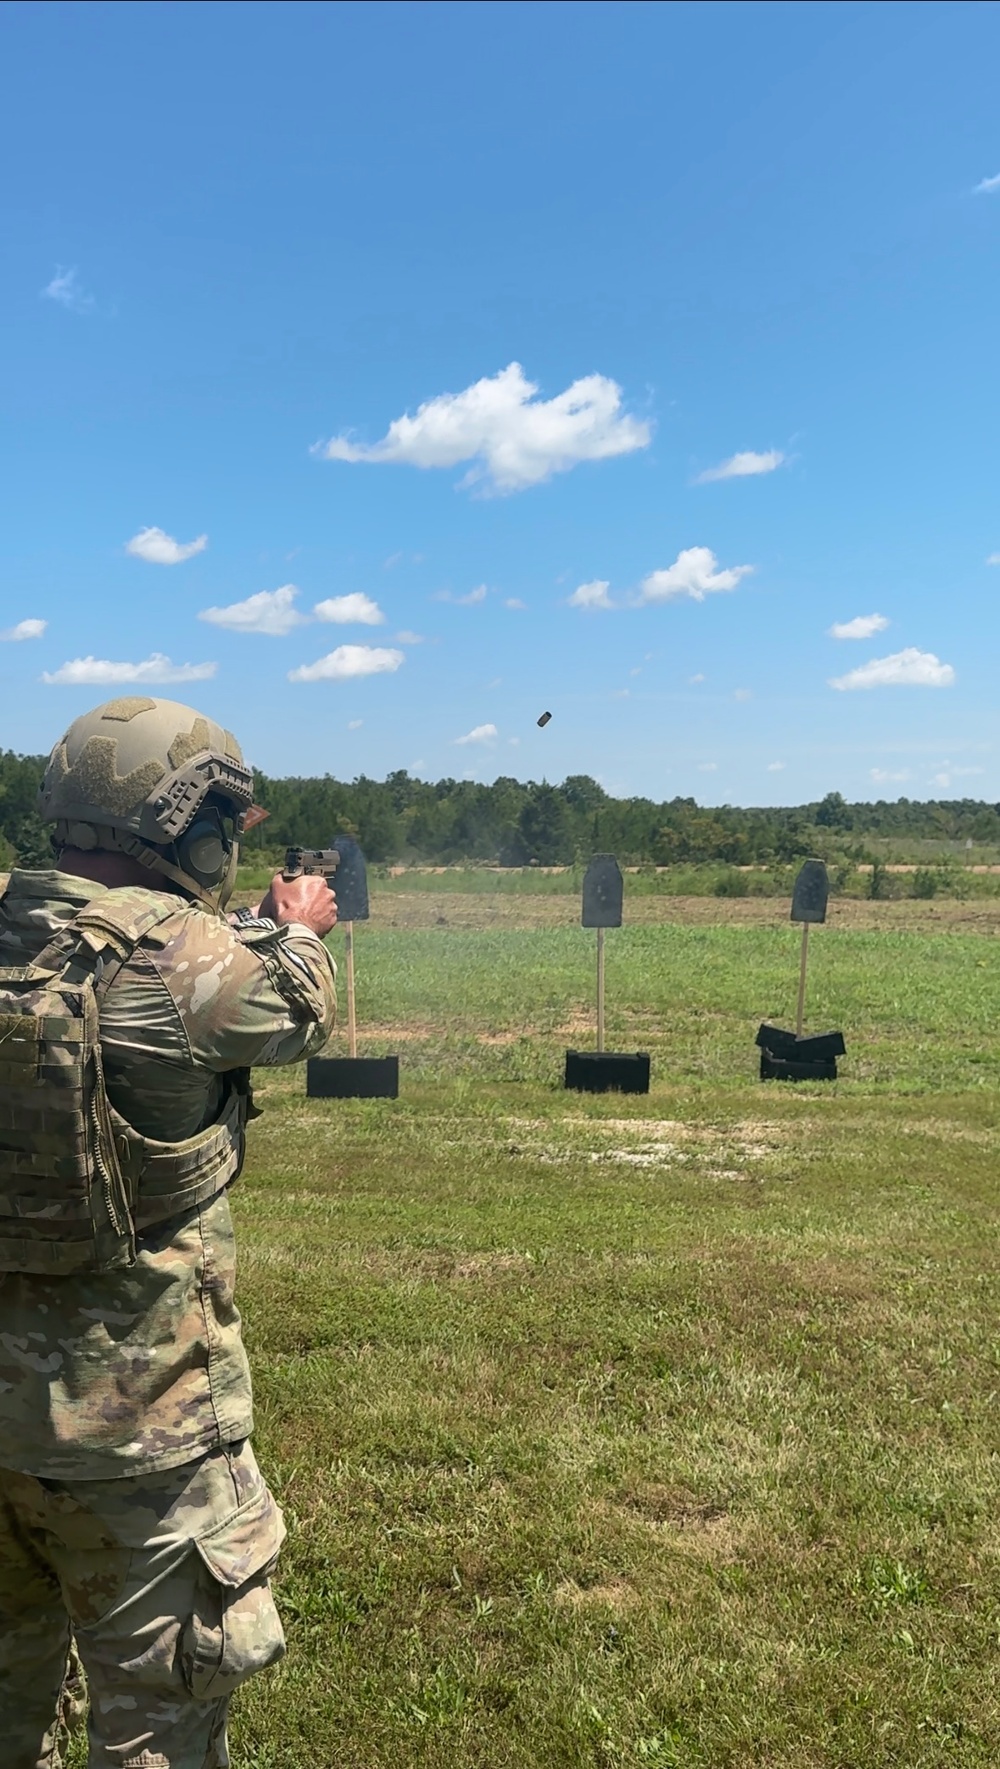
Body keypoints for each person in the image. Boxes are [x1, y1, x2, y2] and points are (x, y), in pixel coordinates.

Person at [0, 696, 338, 1769]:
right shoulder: (202, 964)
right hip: (138, 1431)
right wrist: (294, 921)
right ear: (187, 824)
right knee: (156, 1723)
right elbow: (299, 1006)